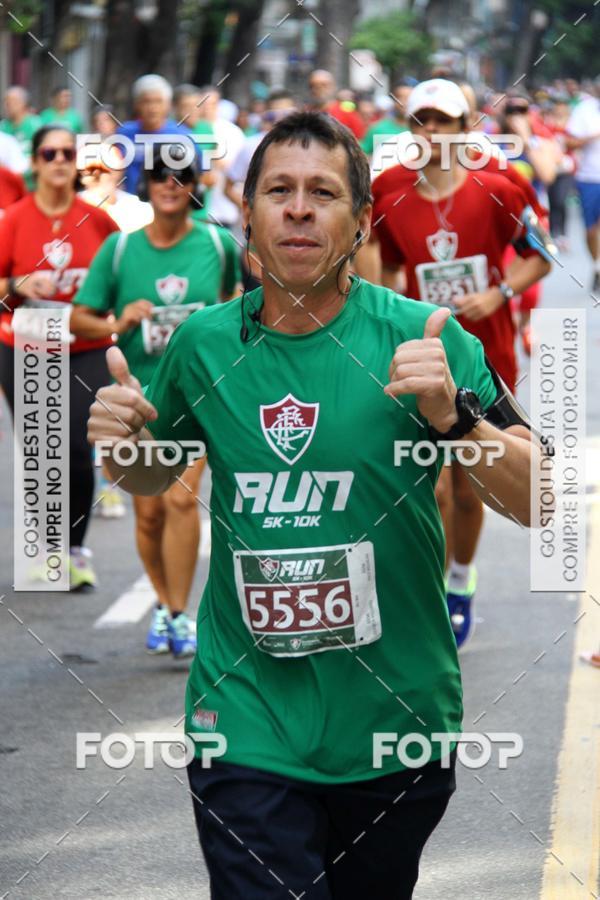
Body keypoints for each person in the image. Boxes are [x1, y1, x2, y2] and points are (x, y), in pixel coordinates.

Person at [88, 111, 537, 899]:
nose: (298, 208)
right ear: (248, 214)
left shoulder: (425, 339)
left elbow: (541, 500)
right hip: (245, 720)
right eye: (278, 191)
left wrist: (456, 420)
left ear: (360, 220)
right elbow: (155, 474)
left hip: (395, 722)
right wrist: (123, 447)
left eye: (323, 192)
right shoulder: (203, 345)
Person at [371, 79, 551, 647]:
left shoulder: (500, 187)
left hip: (484, 355)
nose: (431, 131)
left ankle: (460, 578)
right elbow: (387, 271)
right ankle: (424, 591)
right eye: (421, 120)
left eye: (443, 121)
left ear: (467, 127)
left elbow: (538, 258)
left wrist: (498, 294)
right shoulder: (388, 190)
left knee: (469, 484)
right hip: (419, 358)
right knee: (431, 488)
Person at [72, 143, 240, 654]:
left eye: (182, 174)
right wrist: (117, 323)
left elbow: (241, 302)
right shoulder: (121, 249)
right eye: (161, 175)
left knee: (179, 497)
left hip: (199, 396)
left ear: (195, 184)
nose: (171, 183)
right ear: (147, 185)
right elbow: (79, 316)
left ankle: (179, 614)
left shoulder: (219, 244)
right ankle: (167, 608)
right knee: (148, 513)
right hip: (136, 401)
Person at [0, 125, 117, 588]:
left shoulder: (98, 220)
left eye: (69, 152)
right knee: (39, 448)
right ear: (35, 162)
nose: (60, 160)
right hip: (24, 341)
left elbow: (120, 277)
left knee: (72, 444)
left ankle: (75, 547)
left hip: (84, 346)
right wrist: (17, 286)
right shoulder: (12, 219)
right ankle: (50, 548)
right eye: (50, 152)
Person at [116, 75, 192, 194]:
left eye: (158, 101)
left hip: (167, 204)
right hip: (130, 204)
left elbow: (203, 175)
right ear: (137, 105)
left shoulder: (182, 135)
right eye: (146, 101)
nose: (152, 108)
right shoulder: (123, 133)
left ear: (168, 105)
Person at [566, 83, 600, 291]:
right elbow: (569, 142)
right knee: (590, 230)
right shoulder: (584, 110)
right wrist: (592, 136)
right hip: (589, 178)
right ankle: (597, 265)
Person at [307, 69, 366, 139]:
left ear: (333, 87)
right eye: (313, 85)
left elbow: (360, 140)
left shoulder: (346, 113)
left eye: (324, 85)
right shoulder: (306, 112)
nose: (318, 89)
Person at [360, 82, 413, 160]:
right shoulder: (377, 128)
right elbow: (363, 154)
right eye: (400, 98)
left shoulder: (422, 130)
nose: (404, 103)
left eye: (408, 98)